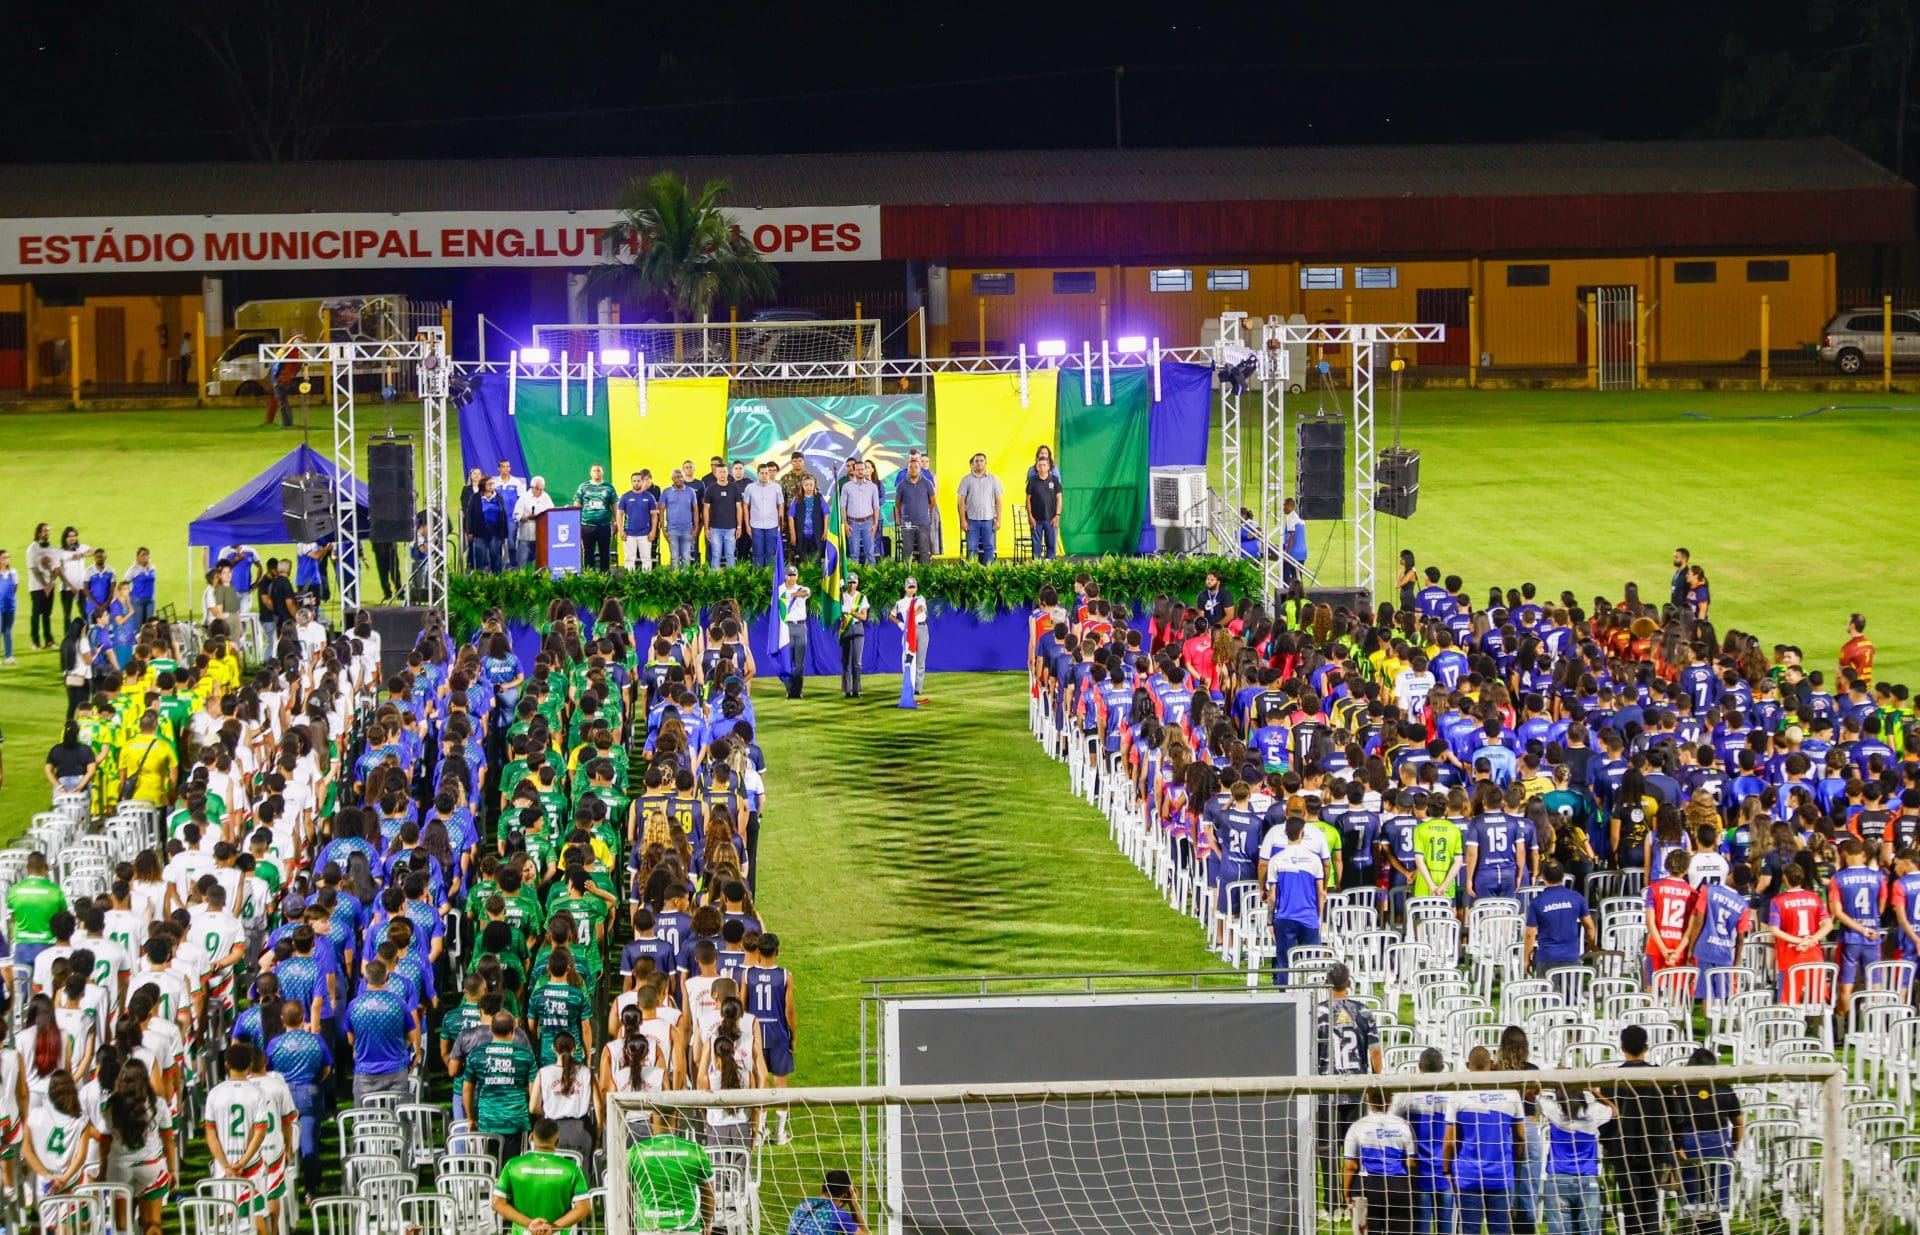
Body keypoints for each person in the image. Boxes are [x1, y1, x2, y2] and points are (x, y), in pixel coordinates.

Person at [1318, 963, 1381, 1213]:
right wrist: (1377, 1080)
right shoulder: (1363, 1011)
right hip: (1356, 1089)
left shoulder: (1318, 1013)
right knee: (1354, 1149)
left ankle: (1332, 1203)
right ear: (1349, 982)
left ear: (1327, 983)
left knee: (1328, 1149)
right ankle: (1353, 1201)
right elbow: (1375, 1052)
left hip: (1326, 1090)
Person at [1604, 1025, 1676, 1235]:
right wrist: (1675, 1142)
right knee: (1651, 1203)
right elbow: (1675, 1114)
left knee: (1631, 1207)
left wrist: (1607, 1143)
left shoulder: (1611, 1080)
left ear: (1622, 1047)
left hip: (1623, 1150)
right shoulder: (1659, 1078)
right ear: (1646, 1047)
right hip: (1655, 1148)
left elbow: (1605, 1118)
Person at [1443, 1047, 1523, 1235]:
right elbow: (1520, 1137)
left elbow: (1449, 1141)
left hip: (1468, 1175)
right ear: (1492, 1064)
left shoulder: (1458, 1094)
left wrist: (1446, 1169)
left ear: (1467, 1065)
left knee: (1470, 1230)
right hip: (1500, 1174)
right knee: (1501, 1231)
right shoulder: (1510, 1093)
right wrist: (1514, 1163)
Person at [491, 1118, 594, 1235]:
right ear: (557, 1141)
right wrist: (552, 1228)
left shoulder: (512, 1165)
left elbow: (497, 1203)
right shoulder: (572, 1169)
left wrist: (529, 1224)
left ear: (531, 1137)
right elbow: (584, 1208)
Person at [1673, 1046, 1741, 1217]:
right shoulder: (1725, 1090)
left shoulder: (1679, 1091)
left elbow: (1671, 1123)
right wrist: (1734, 1148)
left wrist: (1677, 1147)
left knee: (1691, 1199)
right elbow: (1739, 1123)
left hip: (1688, 1144)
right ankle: (1717, 1221)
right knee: (1719, 1198)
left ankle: (1691, 1222)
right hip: (1719, 1143)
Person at [1536, 1085, 1612, 1235]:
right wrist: (1593, 1090)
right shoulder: (1593, 1111)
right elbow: (1614, 1110)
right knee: (1590, 1230)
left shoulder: (1554, 1109)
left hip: (1558, 1179)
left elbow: (1533, 1094)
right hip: (1587, 1178)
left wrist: (1547, 1081)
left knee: (1559, 1231)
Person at [464, 1010, 537, 1161]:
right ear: (513, 1030)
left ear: (491, 1028)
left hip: (488, 1120)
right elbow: (534, 1092)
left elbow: (467, 1090)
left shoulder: (477, 1054)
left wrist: (470, 1117)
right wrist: (535, 1121)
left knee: (491, 1167)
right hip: (516, 1120)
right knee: (512, 1168)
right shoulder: (525, 1055)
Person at [1343, 1088, 1416, 1235]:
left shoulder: (1357, 1126)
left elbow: (1350, 1166)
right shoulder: (1404, 1125)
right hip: (1397, 1185)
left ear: (1368, 1099)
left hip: (1366, 1186)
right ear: (1390, 1099)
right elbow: (1412, 1162)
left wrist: (1346, 1194)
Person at [345, 959, 417, 1102]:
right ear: (388, 977)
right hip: (396, 1071)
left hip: (365, 1073)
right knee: (398, 1114)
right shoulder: (399, 1003)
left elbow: (351, 1039)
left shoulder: (354, 1006)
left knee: (366, 1116)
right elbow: (411, 1036)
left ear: (365, 980)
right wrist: (397, 1049)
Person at [627, 1128, 713, 1234]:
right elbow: (708, 1193)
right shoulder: (694, 1149)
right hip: (687, 1227)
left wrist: (630, 1228)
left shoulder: (636, 1151)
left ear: (650, 1121)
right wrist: (706, 1225)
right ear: (677, 1121)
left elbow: (626, 1196)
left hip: (648, 1228)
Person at [1523, 861, 1593, 975]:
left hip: (1547, 958)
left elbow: (1530, 934)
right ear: (1563, 875)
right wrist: (1590, 946)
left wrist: (1526, 959)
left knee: (1548, 987)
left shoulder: (1537, 902)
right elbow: (1590, 927)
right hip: (1571, 957)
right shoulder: (1576, 898)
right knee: (1571, 987)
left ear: (1543, 877)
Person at [789, 1168, 869, 1235]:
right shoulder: (838, 1214)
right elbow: (864, 1233)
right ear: (845, 1195)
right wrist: (853, 1204)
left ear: (822, 1187)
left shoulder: (803, 1204)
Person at [955, 453, 1002, 564]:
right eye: (976, 461)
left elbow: (999, 501)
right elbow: (961, 502)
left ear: (986, 463)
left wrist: (998, 519)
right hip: (971, 520)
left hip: (989, 520)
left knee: (989, 547)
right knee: (972, 548)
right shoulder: (966, 480)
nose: (979, 463)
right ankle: (973, 570)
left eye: (981, 460)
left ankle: (988, 571)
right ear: (973, 463)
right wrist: (963, 520)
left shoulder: (993, 479)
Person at [701, 457, 746, 569]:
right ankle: (715, 578)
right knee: (716, 555)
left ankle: (731, 578)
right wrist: (706, 528)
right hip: (715, 529)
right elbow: (706, 509)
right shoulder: (710, 489)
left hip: (731, 528)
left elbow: (739, 508)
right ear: (716, 473)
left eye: (724, 472)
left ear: (727, 473)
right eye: (720, 472)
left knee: (730, 556)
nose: (722, 474)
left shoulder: (734, 488)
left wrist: (739, 527)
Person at [893, 451, 935, 564]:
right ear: (907, 469)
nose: (913, 469)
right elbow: (897, 504)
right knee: (907, 550)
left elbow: (932, 501)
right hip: (907, 523)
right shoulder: (901, 485)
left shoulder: (927, 483)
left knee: (924, 550)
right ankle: (907, 572)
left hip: (923, 522)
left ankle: (925, 572)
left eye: (916, 467)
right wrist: (898, 518)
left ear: (920, 469)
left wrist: (925, 512)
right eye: (911, 467)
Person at [890, 576, 929, 696]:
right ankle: (909, 685)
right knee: (909, 659)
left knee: (920, 660)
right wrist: (900, 624)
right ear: (905, 588)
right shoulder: (900, 603)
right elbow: (891, 615)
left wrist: (911, 614)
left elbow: (921, 609)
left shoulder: (920, 599)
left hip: (921, 628)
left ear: (916, 588)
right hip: (909, 630)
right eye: (909, 587)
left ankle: (918, 688)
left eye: (913, 587)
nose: (911, 589)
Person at [573, 465, 617, 573]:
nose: (596, 472)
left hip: (604, 526)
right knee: (588, 552)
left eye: (598, 470)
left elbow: (615, 505)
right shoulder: (583, 487)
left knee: (605, 551)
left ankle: (605, 574)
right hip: (587, 526)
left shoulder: (609, 487)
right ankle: (590, 575)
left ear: (602, 472)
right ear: (590, 473)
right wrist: (575, 523)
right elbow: (577, 505)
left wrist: (616, 522)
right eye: (594, 471)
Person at [618, 471, 662, 572]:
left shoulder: (649, 497)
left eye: (638, 481)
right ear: (631, 482)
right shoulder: (625, 497)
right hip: (629, 534)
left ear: (642, 481)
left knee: (646, 559)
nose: (636, 483)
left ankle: (646, 579)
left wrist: (653, 531)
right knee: (629, 559)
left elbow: (654, 515)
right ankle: (630, 579)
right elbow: (619, 514)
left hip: (645, 534)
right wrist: (621, 530)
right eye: (634, 481)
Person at [745, 462, 787, 566]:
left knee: (771, 553)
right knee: (758, 553)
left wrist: (780, 524)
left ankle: (769, 575)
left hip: (772, 525)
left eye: (766, 473)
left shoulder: (776, 487)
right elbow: (745, 506)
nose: (764, 475)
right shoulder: (750, 488)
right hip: (756, 525)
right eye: (762, 473)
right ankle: (759, 575)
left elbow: (781, 505)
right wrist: (747, 526)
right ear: (757, 474)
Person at [839, 461, 881, 565]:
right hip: (852, 523)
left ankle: (871, 574)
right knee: (854, 553)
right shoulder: (846, 487)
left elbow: (876, 506)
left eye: (862, 469)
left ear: (865, 470)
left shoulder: (873, 487)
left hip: (868, 522)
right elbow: (843, 507)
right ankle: (854, 574)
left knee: (870, 553)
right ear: (854, 471)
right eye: (858, 470)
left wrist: (875, 524)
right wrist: (845, 524)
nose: (860, 472)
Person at [778, 566, 810, 699]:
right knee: (787, 661)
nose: (792, 578)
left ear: (797, 576)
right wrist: (790, 595)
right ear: (785, 576)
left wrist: (791, 595)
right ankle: (789, 690)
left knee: (799, 663)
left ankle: (798, 690)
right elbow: (777, 601)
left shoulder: (802, 588)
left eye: (794, 575)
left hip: (800, 626)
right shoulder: (780, 589)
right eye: (789, 575)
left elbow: (806, 593)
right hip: (786, 627)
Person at [1024, 454, 1062, 560]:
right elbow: (1027, 500)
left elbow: (1059, 499)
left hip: (1051, 519)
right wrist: (1030, 516)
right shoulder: (1032, 481)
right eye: (1039, 465)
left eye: (1044, 465)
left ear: (1048, 466)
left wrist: (1057, 516)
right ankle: (1037, 566)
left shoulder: (1054, 480)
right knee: (1036, 547)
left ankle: (1050, 565)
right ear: (1036, 467)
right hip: (1036, 520)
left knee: (1051, 545)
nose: (1041, 467)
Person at [838, 573, 870, 698]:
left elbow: (863, 617)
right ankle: (847, 690)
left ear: (857, 583)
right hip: (845, 628)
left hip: (857, 628)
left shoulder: (862, 597)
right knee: (846, 661)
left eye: (854, 582)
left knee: (857, 662)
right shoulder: (841, 596)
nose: (851, 585)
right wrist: (837, 589)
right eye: (849, 582)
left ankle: (856, 690)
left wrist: (850, 611)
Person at [514, 476, 556, 572]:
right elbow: (517, 515)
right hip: (526, 537)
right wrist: (528, 517)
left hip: (541, 537)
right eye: (538, 489)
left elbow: (552, 512)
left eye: (542, 489)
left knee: (539, 564)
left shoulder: (546, 497)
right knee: (522, 563)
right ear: (532, 487)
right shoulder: (524, 498)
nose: (540, 492)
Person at [43, 722, 96, 796]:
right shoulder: (86, 750)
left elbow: (48, 770)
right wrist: (80, 786)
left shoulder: (56, 749)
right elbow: (91, 770)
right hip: (80, 781)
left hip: (61, 782)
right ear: (77, 733)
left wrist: (59, 787)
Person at [27, 524, 58, 651]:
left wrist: (51, 583)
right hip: (36, 587)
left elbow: (56, 568)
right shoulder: (32, 549)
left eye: (48, 531)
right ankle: (35, 642)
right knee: (36, 614)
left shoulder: (51, 548)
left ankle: (49, 640)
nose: (47, 533)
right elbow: (33, 569)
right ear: (39, 533)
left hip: (49, 587)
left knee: (47, 614)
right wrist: (45, 585)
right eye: (45, 531)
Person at [661, 470, 700, 569]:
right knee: (674, 558)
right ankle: (675, 578)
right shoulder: (666, 492)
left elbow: (695, 509)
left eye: (682, 477)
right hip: (672, 529)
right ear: (672, 479)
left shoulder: (690, 491)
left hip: (687, 529)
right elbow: (661, 511)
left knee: (686, 557)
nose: (680, 479)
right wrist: (663, 529)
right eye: (677, 477)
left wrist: (696, 528)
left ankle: (685, 578)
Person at [788, 474, 829, 560]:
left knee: (816, 560)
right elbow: (790, 516)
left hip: (816, 535)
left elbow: (826, 514)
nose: (809, 487)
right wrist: (793, 534)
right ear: (803, 486)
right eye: (806, 485)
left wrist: (825, 530)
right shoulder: (797, 499)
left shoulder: (819, 498)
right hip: (801, 535)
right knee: (803, 560)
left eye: (811, 485)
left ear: (814, 486)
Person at [1840, 612, 1875, 686]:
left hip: (1855, 689)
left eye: (1848, 623)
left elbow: (1843, 674)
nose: (1846, 625)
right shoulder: (1870, 645)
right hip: (1867, 689)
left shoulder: (1848, 648)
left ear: (1852, 626)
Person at [126, 547, 156, 628]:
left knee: (151, 625)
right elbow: (124, 584)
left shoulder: (152, 568)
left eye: (147, 555)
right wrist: (129, 596)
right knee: (137, 625)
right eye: (143, 555)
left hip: (150, 600)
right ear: (137, 557)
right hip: (137, 600)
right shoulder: (133, 569)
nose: (145, 556)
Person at [1282, 497, 1308, 584]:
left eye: (1285, 505)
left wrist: (1286, 553)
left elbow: (1292, 536)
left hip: (1292, 553)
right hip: (1302, 553)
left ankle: (1287, 592)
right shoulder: (1300, 518)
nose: (1283, 508)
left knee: (1285, 577)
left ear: (1290, 506)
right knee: (1297, 578)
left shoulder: (1291, 518)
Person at [0, 550, 19, 665]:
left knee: (8, 631)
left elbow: (15, 587)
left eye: (8, 557)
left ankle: (9, 656)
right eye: (4, 557)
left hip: (10, 606)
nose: (6, 559)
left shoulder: (13, 572)